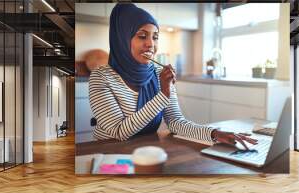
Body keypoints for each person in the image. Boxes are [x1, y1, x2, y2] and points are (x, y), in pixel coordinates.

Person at [89, 3, 257, 149]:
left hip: (146, 149)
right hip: (108, 151)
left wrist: (214, 134)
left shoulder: (157, 74)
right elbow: (119, 132)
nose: (151, 44)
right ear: (122, 39)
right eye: (142, 36)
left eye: (155, 37)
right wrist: (162, 95)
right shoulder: (100, 77)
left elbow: (176, 123)